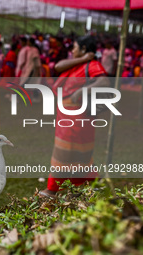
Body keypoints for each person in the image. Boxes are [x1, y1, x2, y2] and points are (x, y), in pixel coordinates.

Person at [39, 35, 109, 198]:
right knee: (79, 151)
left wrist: (81, 91)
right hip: (67, 114)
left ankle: (52, 189)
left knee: (64, 151)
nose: (72, 50)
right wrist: (82, 58)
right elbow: (57, 66)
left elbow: (104, 82)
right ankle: (89, 184)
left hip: (78, 115)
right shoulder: (76, 64)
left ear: (84, 49)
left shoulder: (93, 65)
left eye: (75, 47)